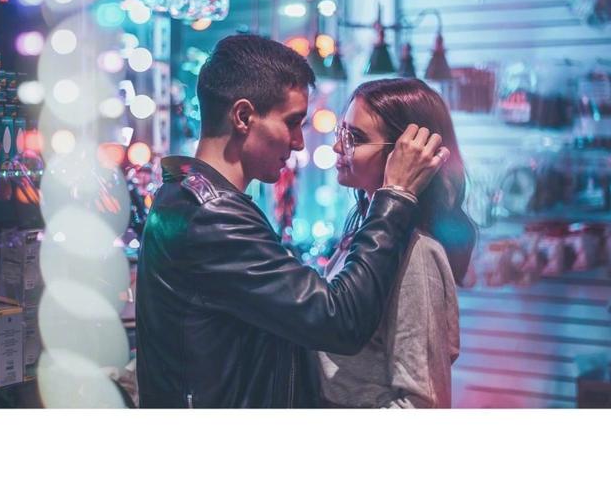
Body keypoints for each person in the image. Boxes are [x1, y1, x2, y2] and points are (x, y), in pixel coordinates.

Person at [135, 35, 449, 408]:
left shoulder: (194, 199)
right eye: (292, 122)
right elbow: (339, 320)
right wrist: (394, 196)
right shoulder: (213, 215)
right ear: (243, 117)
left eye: (354, 138)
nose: (300, 143)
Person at [318, 78, 476, 408]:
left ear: (406, 152)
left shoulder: (416, 253)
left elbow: (422, 403)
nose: (337, 148)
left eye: (355, 138)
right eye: (341, 133)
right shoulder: (367, 236)